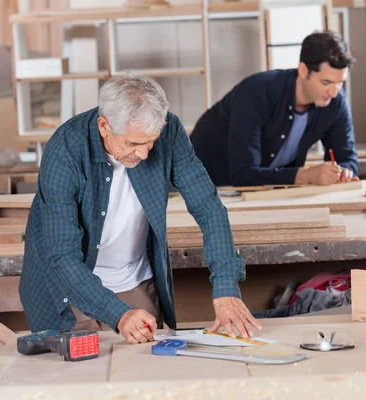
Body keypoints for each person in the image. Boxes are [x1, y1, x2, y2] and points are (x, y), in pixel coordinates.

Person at [19, 73, 261, 345]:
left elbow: (209, 207)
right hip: (67, 286)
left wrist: (226, 287)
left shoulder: (170, 131)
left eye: (151, 142)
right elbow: (61, 256)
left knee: (146, 368)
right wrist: (118, 315)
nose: (145, 154)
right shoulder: (65, 151)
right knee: (82, 375)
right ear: (104, 126)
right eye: (134, 144)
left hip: (132, 277)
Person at [190, 30, 360, 187]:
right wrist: (305, 175)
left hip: (256, 187)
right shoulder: (256, 93)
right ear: (303, 70)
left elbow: (346, 157)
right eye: (326, 82)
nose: (333, 92)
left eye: (340, 82)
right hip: (199, 180)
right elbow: (243, 175)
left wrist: (345, 171)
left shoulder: (335, 101)